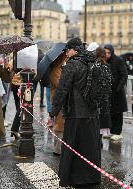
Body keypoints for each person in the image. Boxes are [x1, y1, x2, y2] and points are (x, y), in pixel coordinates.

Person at [49, 37, 101, 187]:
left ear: (74, 49)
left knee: (73, 146)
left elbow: (62, 90)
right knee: (89, 147)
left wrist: (53, 111)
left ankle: (73, 178)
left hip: (76, 113)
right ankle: (91, 176)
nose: (66, 53)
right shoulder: (92, 62)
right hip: (92, 113)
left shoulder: (72, 65)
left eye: (67, 50)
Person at [104, 44, 128, 141]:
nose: (107, 54)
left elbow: (124, 75)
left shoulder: (119, 60)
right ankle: (111, 131)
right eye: (105, 52)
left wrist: (119, 88)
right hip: (108, 92)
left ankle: (118, 132)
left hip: (117, 92)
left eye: (109, 52)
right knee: (110, 112)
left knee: (118, 112)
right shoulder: (104, 61)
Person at [93, 47, 112, 148]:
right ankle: (99, 140)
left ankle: (96, 141)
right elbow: (110, 81)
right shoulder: (107, 66)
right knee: (102, 120)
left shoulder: (94, 66)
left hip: (96, 98)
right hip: (104, 98)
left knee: (96, 119)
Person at [49, 53, 68, 155]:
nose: (66, 59)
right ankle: (57, 149)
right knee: (59, 124)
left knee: (62, 123)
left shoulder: (61, 69)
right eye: (64, 57)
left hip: (62, 100)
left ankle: (61, 148)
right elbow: (60, 85)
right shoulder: (55, 70)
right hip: (58, 100)